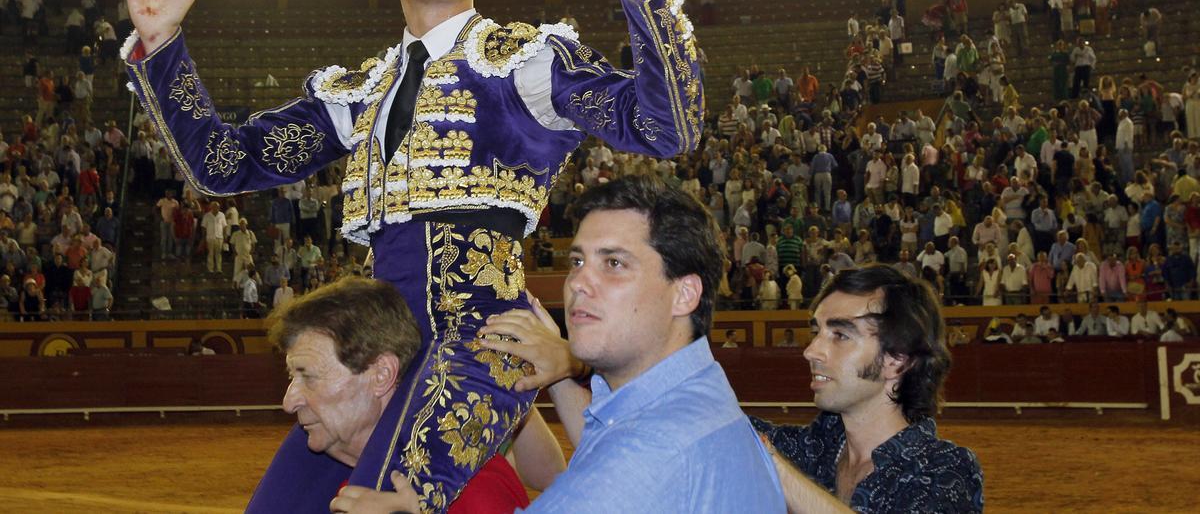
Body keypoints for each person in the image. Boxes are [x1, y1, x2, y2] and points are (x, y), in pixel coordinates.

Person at [118, 0, 702, 511]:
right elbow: (222, 163)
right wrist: (163, 40)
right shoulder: (361, 92)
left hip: (481, 345)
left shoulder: (525, 63)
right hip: (375, 350)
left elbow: (664, 125)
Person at [461, 176, 786, 512]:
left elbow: (628, 467)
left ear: (684, 293)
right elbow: (607, 450)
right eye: (577, 262)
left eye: (613, 263)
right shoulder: (701, 402)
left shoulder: (651, 449)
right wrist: (558, 373)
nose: (578, 282)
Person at [273, 278, 564, 514]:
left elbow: (550, 474)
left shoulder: (467, 486)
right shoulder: (353, 484)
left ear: (382, 374)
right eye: (291, 377)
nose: (290, 401)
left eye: (308, 375)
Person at [746, 266, 983, 511]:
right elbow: (722, 421)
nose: (811, 351)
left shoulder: (946, 471)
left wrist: (778, 471)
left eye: (840, 335)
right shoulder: (808, 450)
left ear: (897, 360)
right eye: (816, 331)